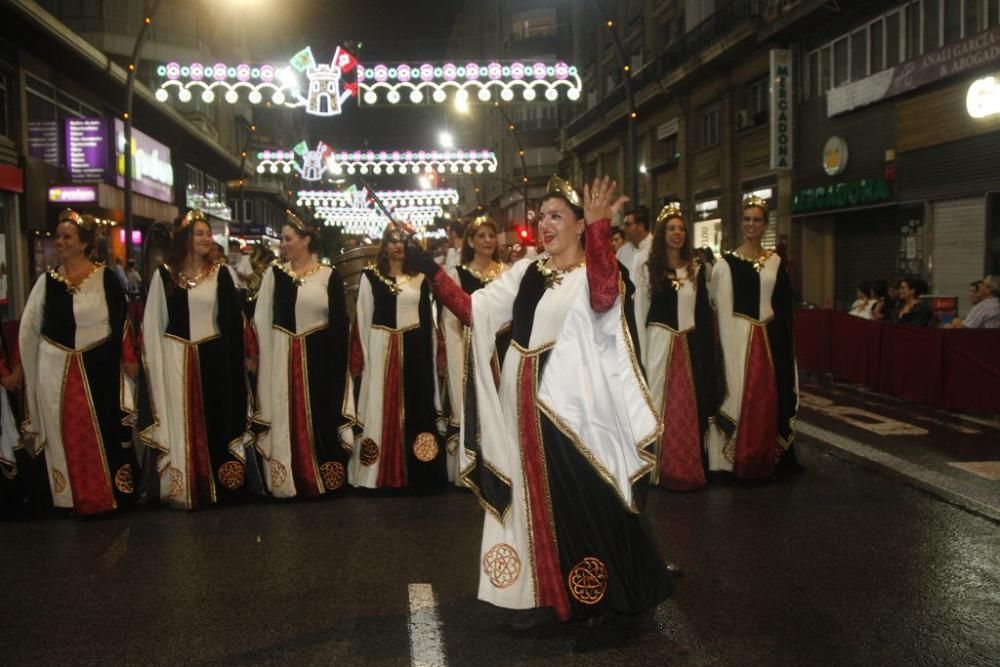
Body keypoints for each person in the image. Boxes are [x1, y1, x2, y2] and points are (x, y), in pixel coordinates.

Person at [419, 176, 672, 628]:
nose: (544, 225)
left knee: (583, 495)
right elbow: (473, 310)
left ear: (579, 225)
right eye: (541, 217)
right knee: (530, 499)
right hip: (522, 402)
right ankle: (536, 595)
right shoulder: (526, 272)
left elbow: (603, 298)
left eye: (556, 216)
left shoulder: (604, 269)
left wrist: (600, 230)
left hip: (574, 408)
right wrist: (430, 269)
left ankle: (596, 594)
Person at [19, 209, 138, 515]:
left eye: (66, 237)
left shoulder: (105, 278)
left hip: (99, 367)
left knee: (102, 427)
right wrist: (25, 367)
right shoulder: (47, 281)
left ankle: (106, 494)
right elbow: (29, 328)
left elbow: (120, 322)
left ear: (84, 243)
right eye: (58, 237)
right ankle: (66, 497)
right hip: (55, 369)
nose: (60, 242)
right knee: (62, 429)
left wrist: (128, 359)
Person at [139, 210, 255, 509]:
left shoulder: (221, 275)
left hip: (212, 358)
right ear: (185, 239)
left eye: (208, 233)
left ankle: (218, 483)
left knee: (213, 417)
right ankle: (183, 485)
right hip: (175, 358)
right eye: (199, 233)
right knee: (179, 419)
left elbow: (231, 323)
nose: (206, 238)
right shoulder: (164, 275)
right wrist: (155, 363)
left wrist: (237, 363)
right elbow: (153, 322)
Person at [254, 212, 356, 498]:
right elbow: (262, 319)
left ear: (306, 240)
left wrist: (340, 363)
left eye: (288, 238)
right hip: (283, 357)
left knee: (321, 412)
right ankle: (287, 481)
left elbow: (339, 322)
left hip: (319, 359)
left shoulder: (328, 275)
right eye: (282, 239)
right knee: (284, 412)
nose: (283, 244)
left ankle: (323, 478)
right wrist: (264, 357)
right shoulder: (275, 275)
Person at [707, 195, 799, 480]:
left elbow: (783, 308)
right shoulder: (726, 264)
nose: (751, 225)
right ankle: (738, 460)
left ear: (765, 224)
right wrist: (728, 352)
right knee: (740, 396)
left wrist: (785, 347)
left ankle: (765, 457)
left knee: (767, 399)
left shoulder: (775, 262)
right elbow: (721, 312)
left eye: (757, 220)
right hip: (738, 340)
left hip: (770, 340)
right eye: (747, 219)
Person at [350, 225, 447, 491]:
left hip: (415, 352)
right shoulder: (371, 277)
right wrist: (361, 359)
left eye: (403, 241)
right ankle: (375, 474)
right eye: (392, 241)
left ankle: (420, 473)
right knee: (379, 406)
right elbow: (361, 319)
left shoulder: (419, 279)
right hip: (381, 350)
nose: (398, 246)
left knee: (416, 405)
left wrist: (436, 355)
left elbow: (431, 322)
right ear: (384, 245)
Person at [634, 205, 723, 491]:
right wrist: (641, 357)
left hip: (687, 347)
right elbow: (639, 313)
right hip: (659, 344)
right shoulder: (649, 269)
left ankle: (683, 466)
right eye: (671, 228)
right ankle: (654, 469)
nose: (677, 233)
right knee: (657, 405)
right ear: (662, 233)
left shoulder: (694, 270)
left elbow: (701, 316)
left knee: (686, 407)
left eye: (681, 229)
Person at [441, 216, 509, 485]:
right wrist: (456, 357)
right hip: (469, 348)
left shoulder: (506, 273)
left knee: (501, 404)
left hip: (501, 348)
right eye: (481, 236)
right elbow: (450, 321)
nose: (487, 241)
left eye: (491, 236)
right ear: (470, 241)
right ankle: (471, 468)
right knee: (473, 403)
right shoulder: (458, 275)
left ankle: (500, 467)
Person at [616, 205, 652, 276]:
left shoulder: (656, 249)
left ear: (641, 226)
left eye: (628, 224)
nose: (624, 228)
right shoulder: (622, 252)